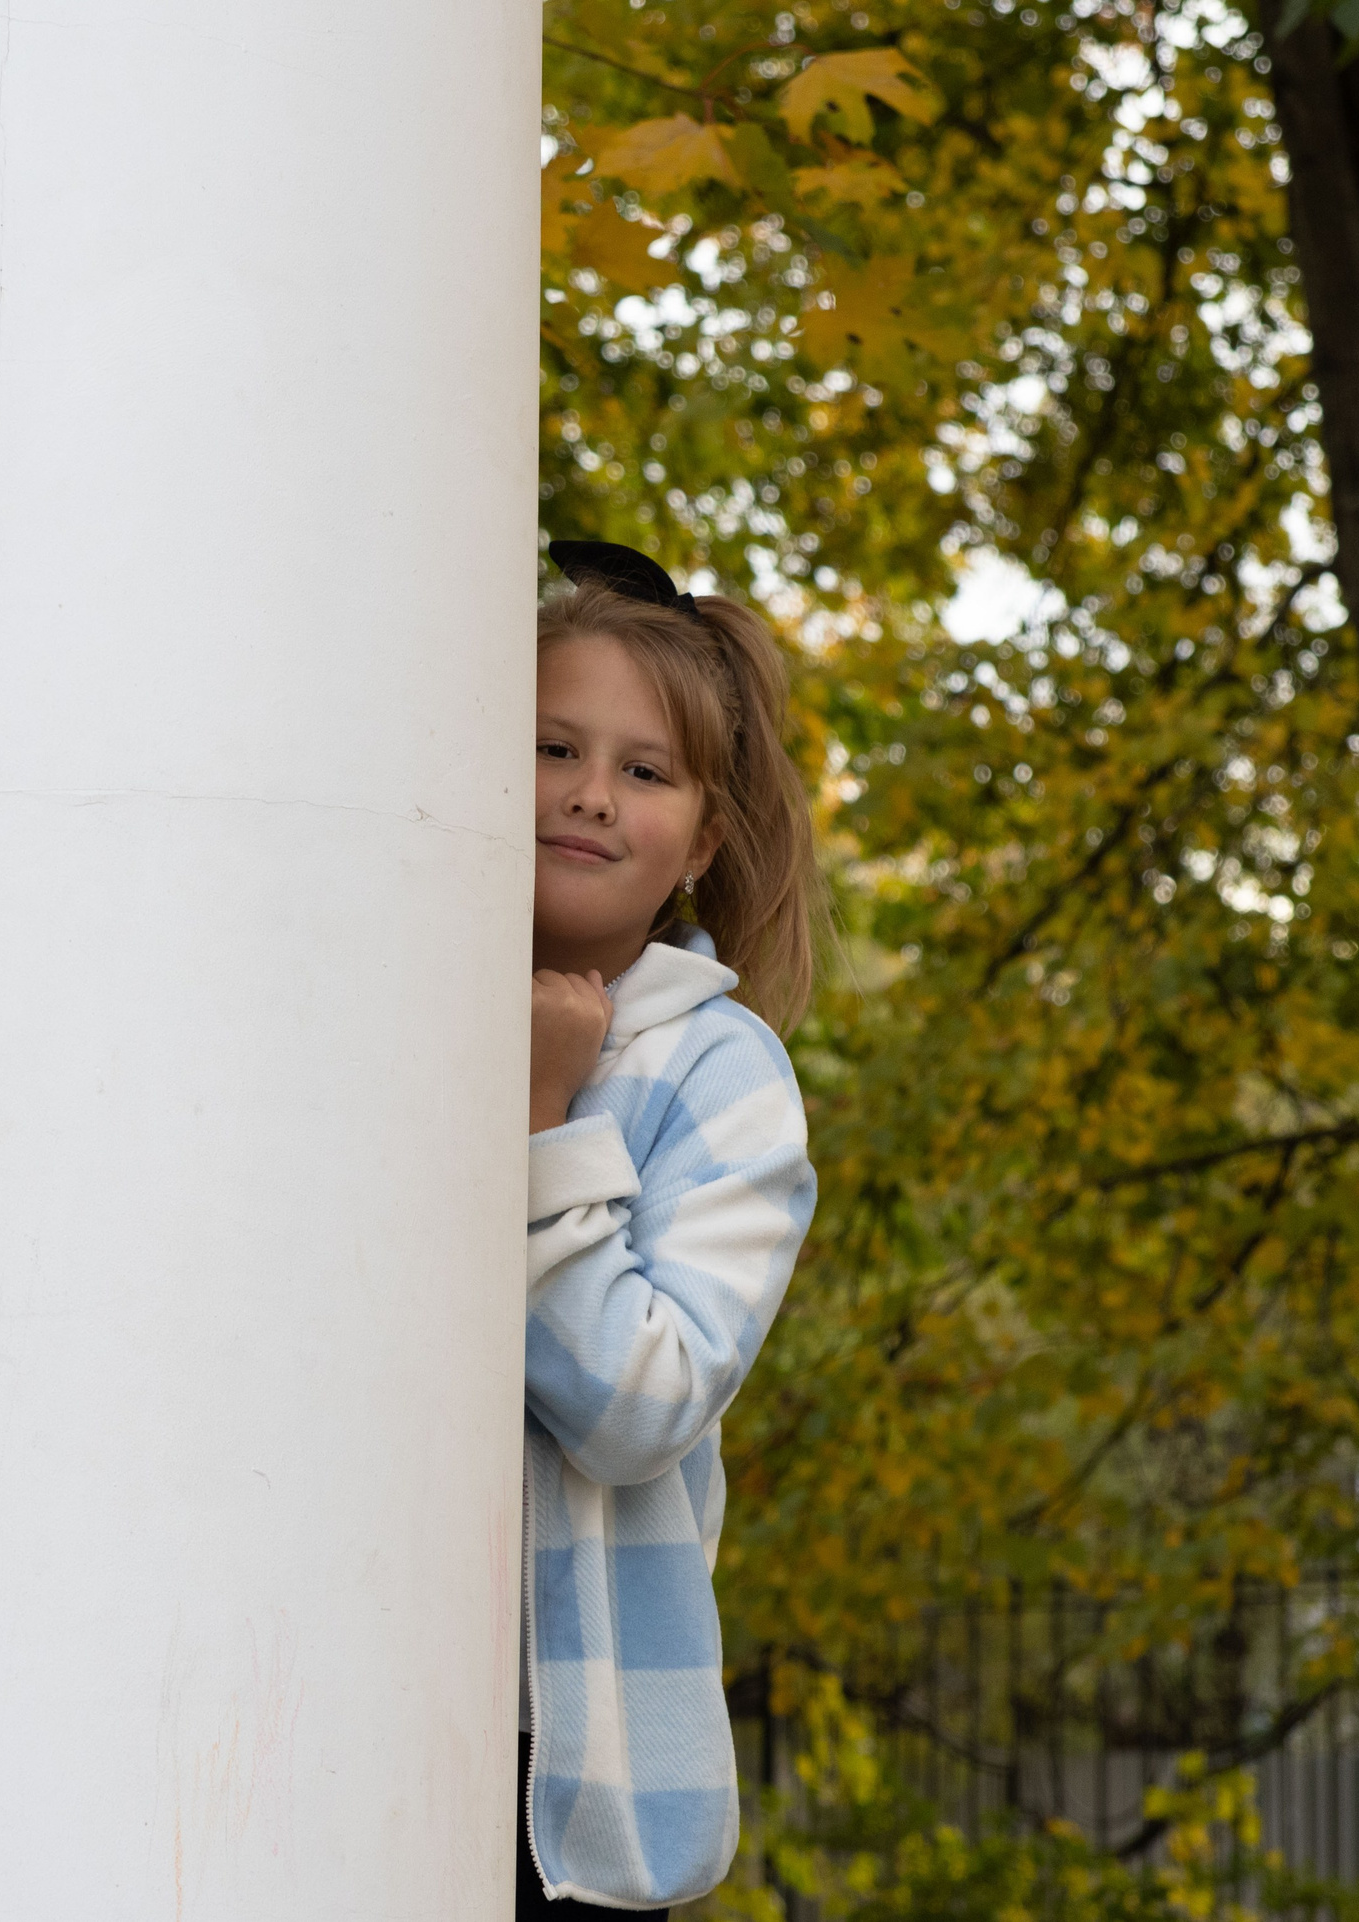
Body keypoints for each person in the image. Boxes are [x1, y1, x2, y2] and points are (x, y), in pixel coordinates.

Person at [518, 541, 820, 1914]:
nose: (590, 792)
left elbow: (643, 1404)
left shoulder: (718, 1073)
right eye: (552, 747)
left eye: (645, 770)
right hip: (345, 1702)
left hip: (562, 1785)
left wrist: (542, 1119)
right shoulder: (384, 1005)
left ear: (701, 840)